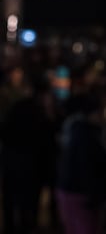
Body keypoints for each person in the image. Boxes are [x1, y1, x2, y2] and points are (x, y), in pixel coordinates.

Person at [55, 87, 106, 234]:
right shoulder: (85, 134)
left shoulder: (81, 131)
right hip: (80, 193)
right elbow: (89, 166)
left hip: (75, 191)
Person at [2, 74, 58, 234]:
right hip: (32, 166)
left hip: (13, 162)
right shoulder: (42, 113)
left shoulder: (18, 107)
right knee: (28, 205)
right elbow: (48, 141)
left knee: (11, 203)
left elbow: (5, 132)